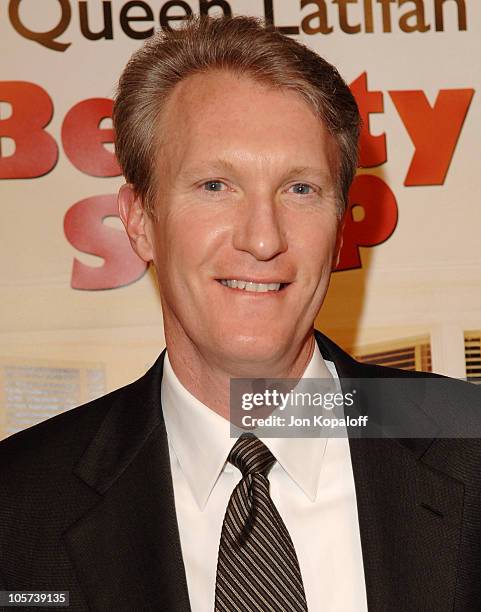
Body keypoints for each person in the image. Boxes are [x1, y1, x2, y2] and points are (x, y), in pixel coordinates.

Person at [1, 15, 480, 612]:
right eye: (215, 185)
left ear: (340, 227)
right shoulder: (17, 507)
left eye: (299, 189)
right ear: (140, 220)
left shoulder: (470, 443)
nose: (262, 239)